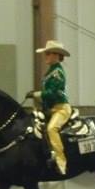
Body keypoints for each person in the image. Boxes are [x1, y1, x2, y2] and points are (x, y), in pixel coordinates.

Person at [26, 40, 72, 175]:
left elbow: (52, 93)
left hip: (61, 108)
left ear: (57, 55)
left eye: (48, 53)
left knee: (52, 129)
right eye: (45, 54)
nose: (45, 56)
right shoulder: (51, 71)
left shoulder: (57, 73)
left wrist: (36, 94)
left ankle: (61, 161)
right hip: (50, 109)